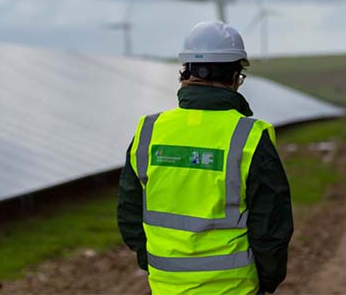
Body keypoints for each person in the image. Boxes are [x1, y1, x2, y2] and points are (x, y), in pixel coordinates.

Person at [117, 20, 293, 294]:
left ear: (185, 73)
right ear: (235, 77)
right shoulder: (249, 137)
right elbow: (271, 226)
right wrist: (267, 280)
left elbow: (129, 215)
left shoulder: (149, 132)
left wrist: (156, 264)